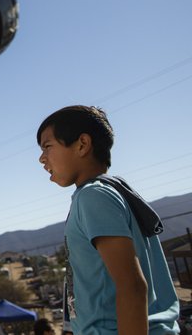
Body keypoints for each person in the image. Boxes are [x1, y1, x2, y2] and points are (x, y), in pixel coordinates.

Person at [37, 105, 179, 335]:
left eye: (48, 146)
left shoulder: (93, 196)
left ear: (82, 144)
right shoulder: (115, 191)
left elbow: (132, 286)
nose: (42, 158)